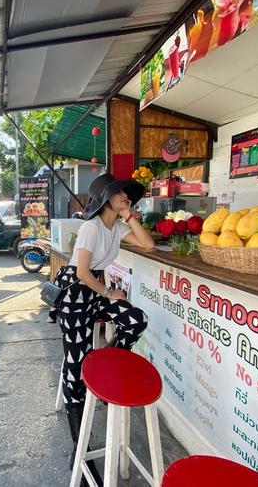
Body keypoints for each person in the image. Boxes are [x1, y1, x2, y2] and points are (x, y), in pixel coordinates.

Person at [47, 173, 155, 479]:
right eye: (119, 193)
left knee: (136, 320)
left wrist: (129, 216)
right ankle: (77, 447)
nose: (125, 195)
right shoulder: (91, 228)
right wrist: (109, 292)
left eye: (125, 193)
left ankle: (107, 369)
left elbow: (147, 245)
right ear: (105, 198)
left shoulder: (117, 226)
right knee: (75, 362)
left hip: (95, 292)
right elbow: (81, 272)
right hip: (76, 293)